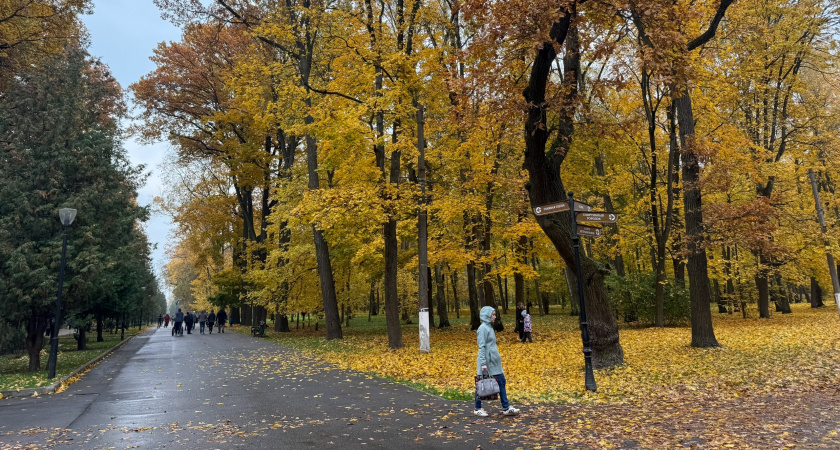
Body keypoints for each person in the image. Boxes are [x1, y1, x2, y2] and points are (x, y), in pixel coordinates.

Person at [474, 306, 519, 417]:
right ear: (487, 316)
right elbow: (482, 347)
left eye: (494, 314)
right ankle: (477, 408)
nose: (494, 317)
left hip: (494, 361)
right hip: (487, 362)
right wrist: (483, 363)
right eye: (492, 315)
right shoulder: (483, 328)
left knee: (501, 382)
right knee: (482, 384)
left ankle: (506, 407)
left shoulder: (489, 327)